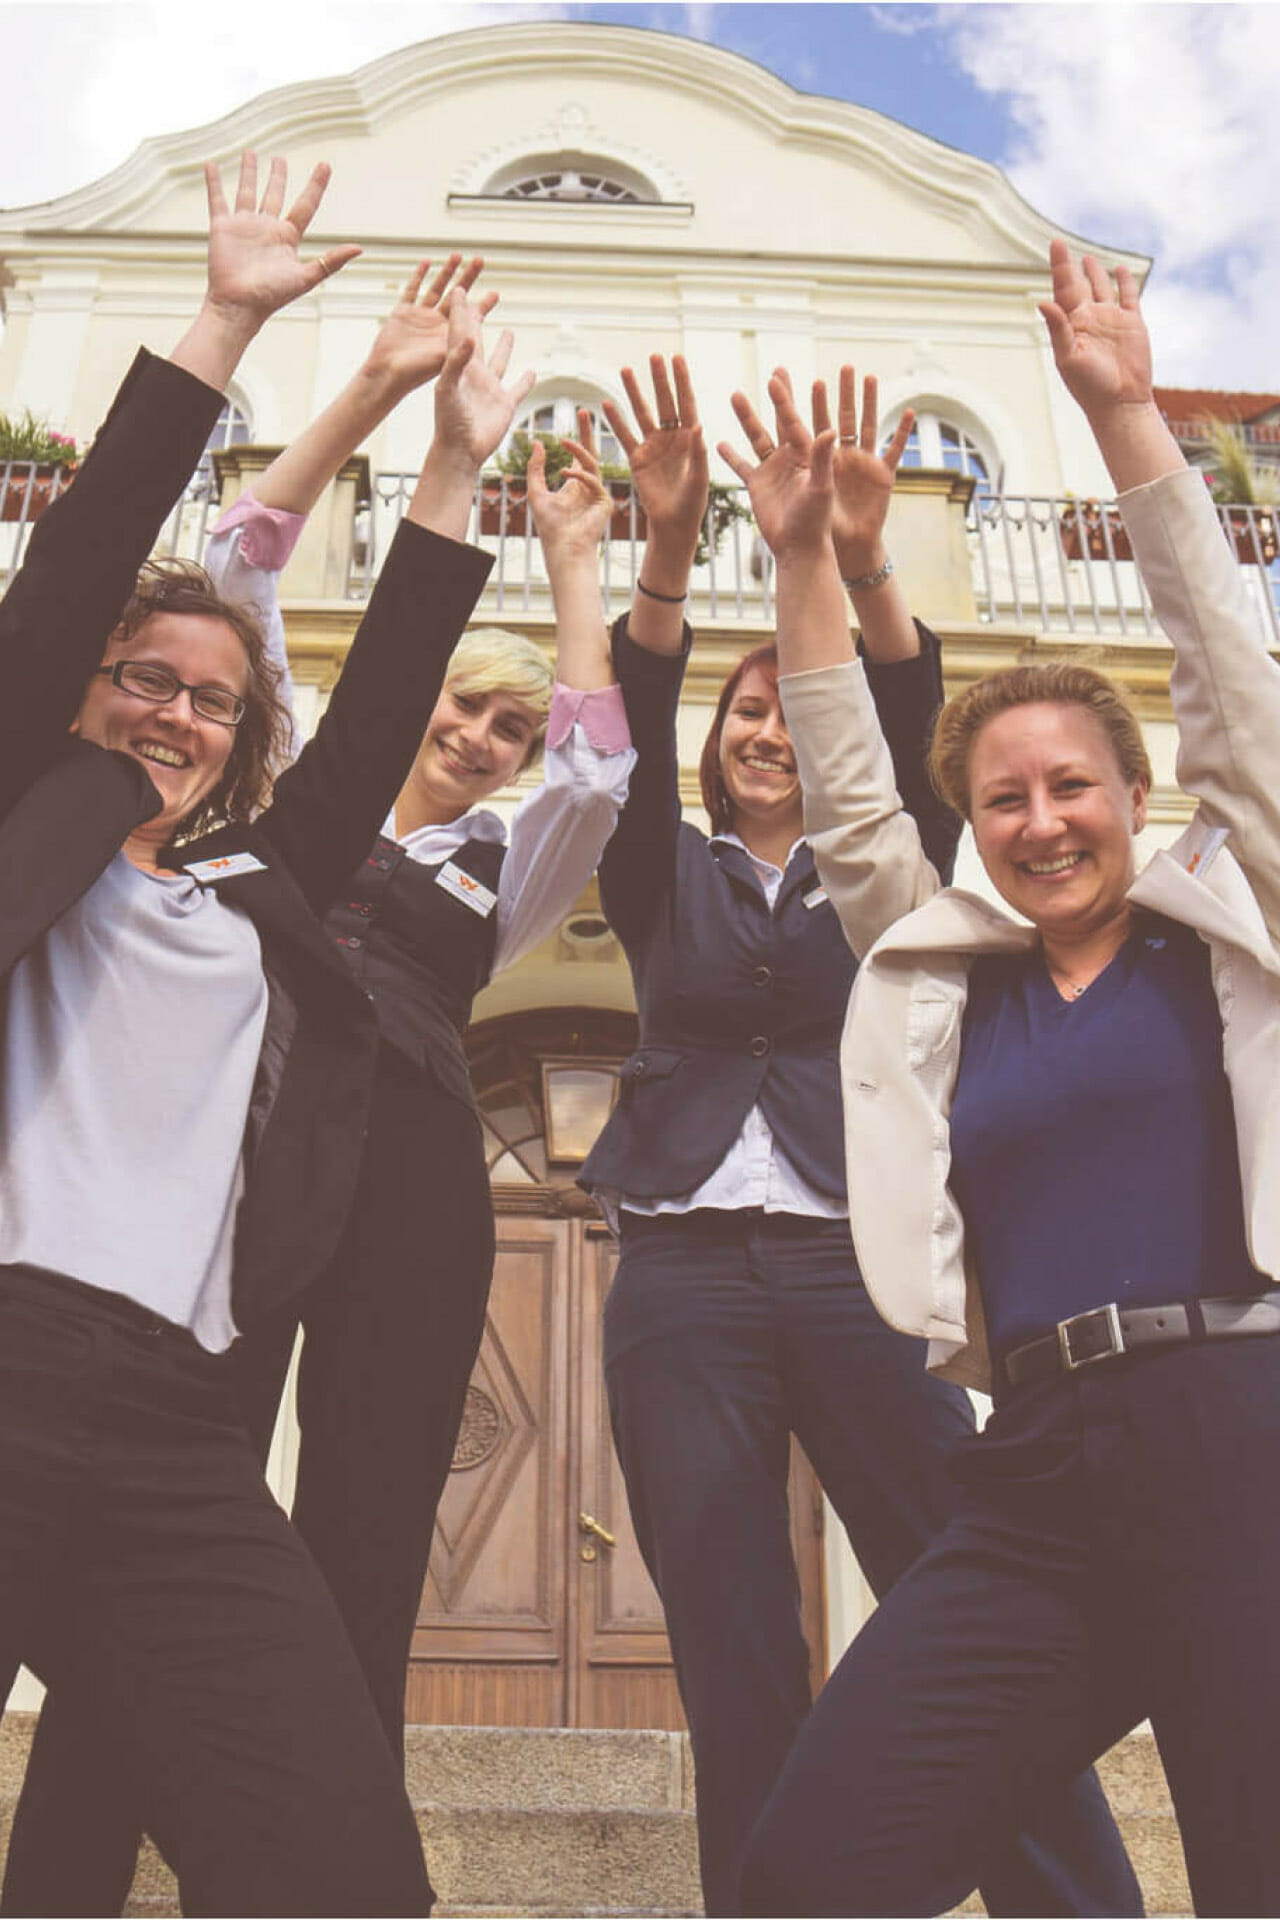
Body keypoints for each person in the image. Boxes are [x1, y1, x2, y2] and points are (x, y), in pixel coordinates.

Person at [2, 265, 635, 1916]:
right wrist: (226, 331)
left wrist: (452, 466)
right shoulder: (31, 828)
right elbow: (77, 571)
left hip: (171, 1425)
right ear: (77, 689)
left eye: (214, 701)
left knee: (343, 1866)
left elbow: (370, 722)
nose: (178, 715)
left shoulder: (254, 899)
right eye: (144, 679)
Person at [733, 245, 1280, 1918]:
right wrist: (806, 559)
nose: (1043, 823)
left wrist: (1123, 415)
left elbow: (1232, 686)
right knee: (816, 1870)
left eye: (1075, 789)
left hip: (1243, 1429)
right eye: (1005, 800)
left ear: (1137, 793)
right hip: (1033, 1460)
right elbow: (843, 797)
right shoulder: (942, 972)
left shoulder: (1228, 919)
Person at [577, 355, 1140, 1918]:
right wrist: (671, 550)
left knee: (972, 1595)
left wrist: (846, 549)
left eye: (781, 706)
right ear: (709, 740)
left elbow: (891, 713)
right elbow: (621, 718)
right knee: (732, 1634)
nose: (768, 727)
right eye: (744, 709)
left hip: (855, 1261)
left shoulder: (893, 876)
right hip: (682, 1280)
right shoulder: (655, 873)